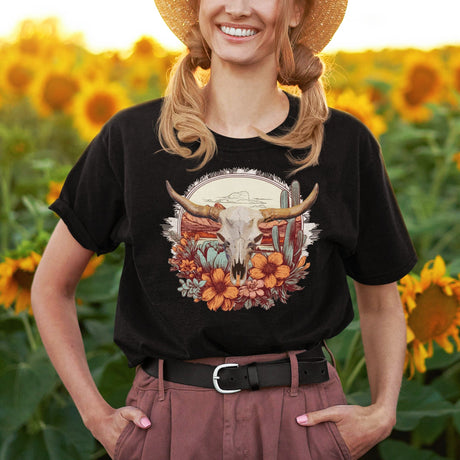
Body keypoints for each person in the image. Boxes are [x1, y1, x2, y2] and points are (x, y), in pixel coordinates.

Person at [31, 0, 417, 458]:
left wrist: (382, 411)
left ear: (295, 11)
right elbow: (51, 288)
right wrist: (97, 417)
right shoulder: (131, 139)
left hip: (304, 423)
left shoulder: (344, 144)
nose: (237, 8)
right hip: (170, 423)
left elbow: (380, 302)